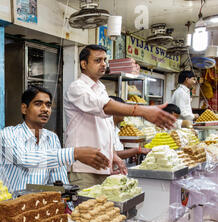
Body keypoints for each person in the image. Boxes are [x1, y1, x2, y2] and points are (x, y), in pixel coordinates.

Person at [64, 44, 176, 190]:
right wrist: (143, 111)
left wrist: (113, 154)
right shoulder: (77, 87)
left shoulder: (101, 89)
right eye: (98, 60)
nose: (103, 64)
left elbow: (105, 129)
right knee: (86, 211)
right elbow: (105, 107)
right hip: (83, 169)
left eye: (105, 60)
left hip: (103, 166)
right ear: (83, 64)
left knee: (103, 211)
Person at [0, 86, 110, 193]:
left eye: (48, 105)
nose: (45, 109)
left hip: (40, 206)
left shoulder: (52, 138)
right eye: (38, 104)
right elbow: (24, 159)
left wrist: (67, 207)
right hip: (11, 207)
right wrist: (74, 153)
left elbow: (58, 180)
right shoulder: (9, 134)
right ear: (24, 109)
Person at [109, 96, 150, 163]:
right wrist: (137, 150)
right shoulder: (106, 130)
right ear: (114, 111)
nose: (125, 113)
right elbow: (110, 154)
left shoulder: (116, 130)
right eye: (123, 110)